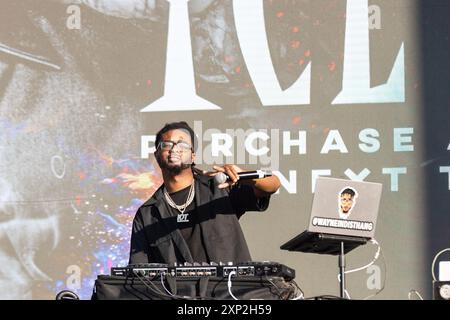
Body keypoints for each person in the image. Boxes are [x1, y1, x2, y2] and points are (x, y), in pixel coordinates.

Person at [129, 121, 281, 264]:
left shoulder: (220, 187)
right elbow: (139, 274)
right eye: (167, 144)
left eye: (182, 144)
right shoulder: (147, 214)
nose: (175, 148)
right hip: (176, 292)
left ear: (193, 155)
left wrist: (243, 176)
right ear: (156, 155)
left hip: (230, 290)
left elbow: (272, 185)